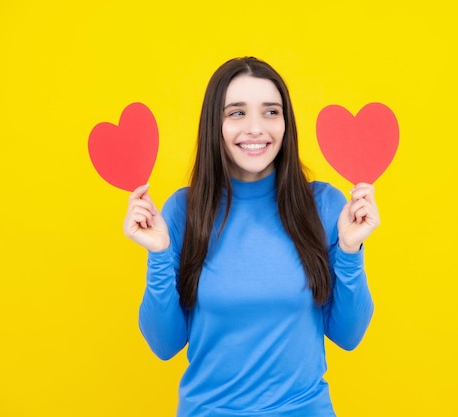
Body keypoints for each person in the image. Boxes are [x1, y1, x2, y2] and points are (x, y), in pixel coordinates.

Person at [123, 56, 379, 417]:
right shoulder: (184, 209)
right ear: (216, 124)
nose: (256, 128)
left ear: (286, 123)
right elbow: (164, 343)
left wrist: (350, 250)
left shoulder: (323, 205)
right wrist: (160, 253)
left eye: (271, 112)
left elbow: (349, 335)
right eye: (237, 113)